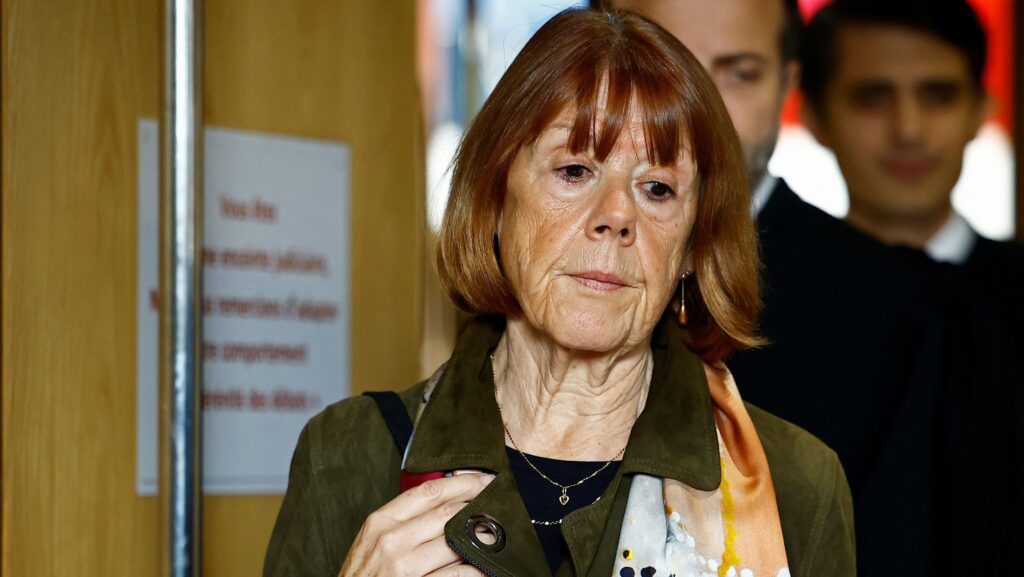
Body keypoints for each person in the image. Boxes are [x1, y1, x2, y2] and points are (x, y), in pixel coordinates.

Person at [264, 8, 854, 577]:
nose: (617, 215)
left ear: (694, 244)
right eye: (575, 171)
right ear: (495, 201)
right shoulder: (348, 455)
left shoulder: (797, 485)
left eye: (656, 188)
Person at [612, 1, 960, 575]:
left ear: (787, 83)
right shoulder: (536, 287)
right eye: (661, 67)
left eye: (739, 73)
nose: (702, 105)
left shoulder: (903, 313)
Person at [798, 1, 1024, 574]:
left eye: (938, 95)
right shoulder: (760, 315)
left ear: (982, 109)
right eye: (872, 97)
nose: (908, 130)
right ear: (815, 116)